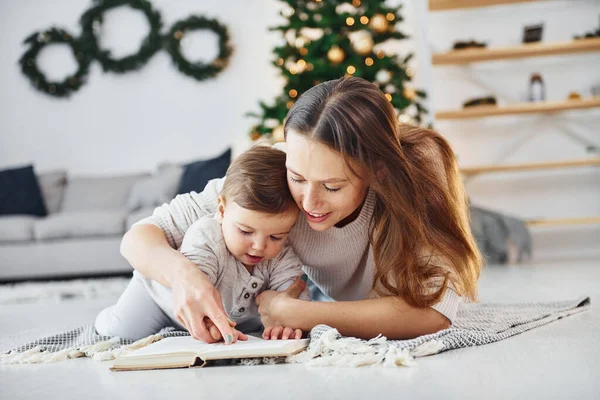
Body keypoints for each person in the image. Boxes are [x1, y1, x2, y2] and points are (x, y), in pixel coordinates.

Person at [120, 76, 483, 344]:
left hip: (341, 304)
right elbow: (139, 237)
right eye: (298, 178)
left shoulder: (415, 174)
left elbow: (435, 313)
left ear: (377, 172)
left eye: (332, 186)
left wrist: (302, 314)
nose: (308, 203)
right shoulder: (275, 169)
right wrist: (185, 276)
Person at [95, 146, 310, 342]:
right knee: (119, 331)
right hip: (159, 300)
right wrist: (211, 325)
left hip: (239, 316)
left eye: (275, 237)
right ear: (222, 210)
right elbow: (197, 297)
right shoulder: (206, 234)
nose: (259, 246)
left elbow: (294, 303)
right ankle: (105, 316)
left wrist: (287, 325)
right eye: (245, 231)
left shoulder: (282, 254)